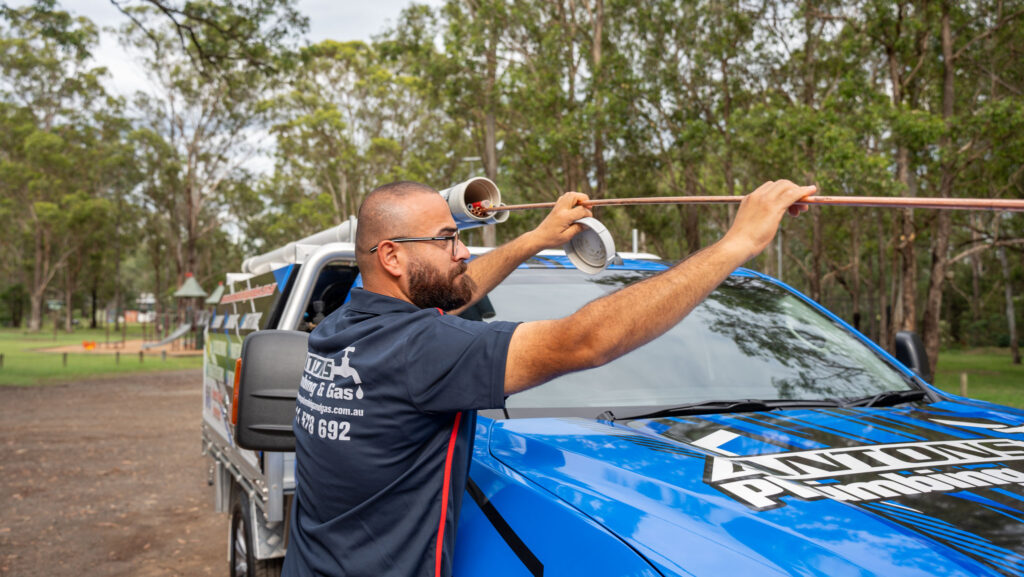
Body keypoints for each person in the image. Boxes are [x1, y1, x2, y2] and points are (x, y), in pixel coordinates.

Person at [282, 179, 816, 577]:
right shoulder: (421, 351)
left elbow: (451, 295)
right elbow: (585, 340)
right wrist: (736, 243)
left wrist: (537, 238)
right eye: (447, 239)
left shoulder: (344, 325)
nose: (464, 250)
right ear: (393, 255)